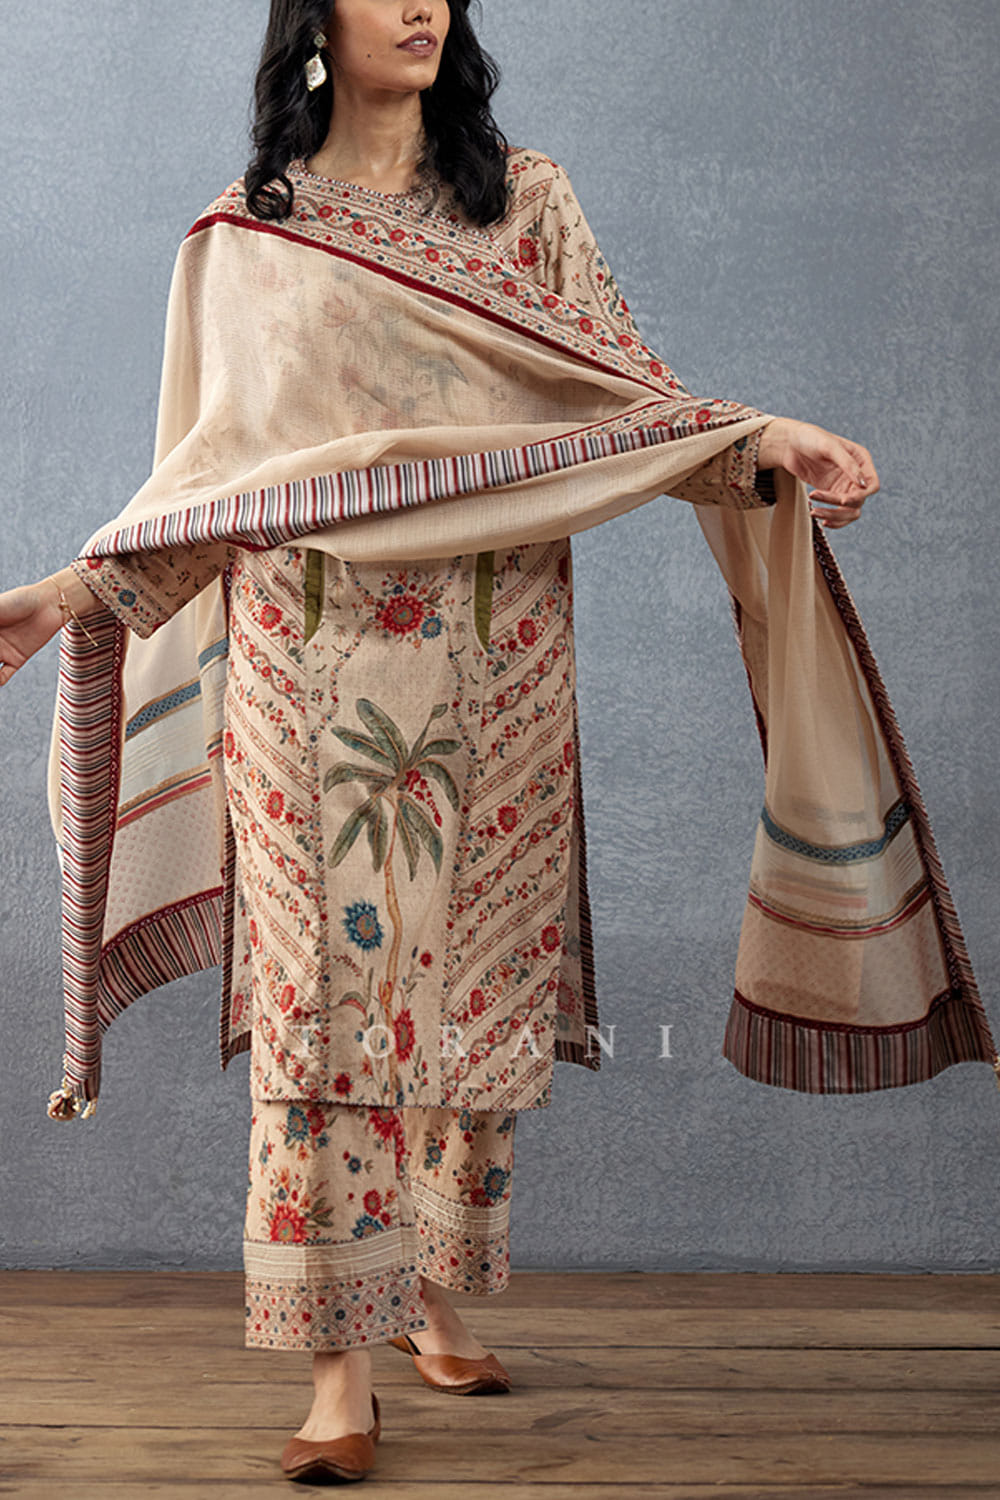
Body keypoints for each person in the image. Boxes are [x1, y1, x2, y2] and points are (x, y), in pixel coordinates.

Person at [3, 1, 997, 1485]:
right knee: (326, 996)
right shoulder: (248, 235)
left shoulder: (524, 201)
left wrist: (755, 441)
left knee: (473, 977)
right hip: (305, 658)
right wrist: (62, 595)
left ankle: (431, 1289)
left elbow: (622, 404)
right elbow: (214, 480)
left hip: (500, 647)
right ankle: (338, 1369)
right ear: (313, 18)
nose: (423, 3)